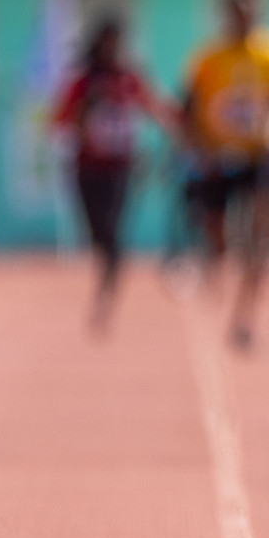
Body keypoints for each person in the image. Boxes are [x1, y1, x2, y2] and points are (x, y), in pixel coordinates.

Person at [181, 0, 269, 351]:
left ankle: (245, 316)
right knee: (219, 234)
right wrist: (197, 147)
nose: (247, 13)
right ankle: (218, 257)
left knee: (261, 232)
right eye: (240, 6)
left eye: (253, 6)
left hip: (261, 154)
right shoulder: (207, 59)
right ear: (228, 11)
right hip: (219, 157)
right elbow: (191, 107)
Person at [52, 17, 167, 334]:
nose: (111, 48)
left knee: (112, 230)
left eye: (116, 41)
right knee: (96, 234)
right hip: (87, 167)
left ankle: (107, 292)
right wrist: (87, 107)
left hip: (120, 167)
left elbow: (154, 107)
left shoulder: (130, 78)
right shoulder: (83, 81)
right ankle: (107, 275)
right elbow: (62, 122)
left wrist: (180, 128)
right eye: (106, 41)